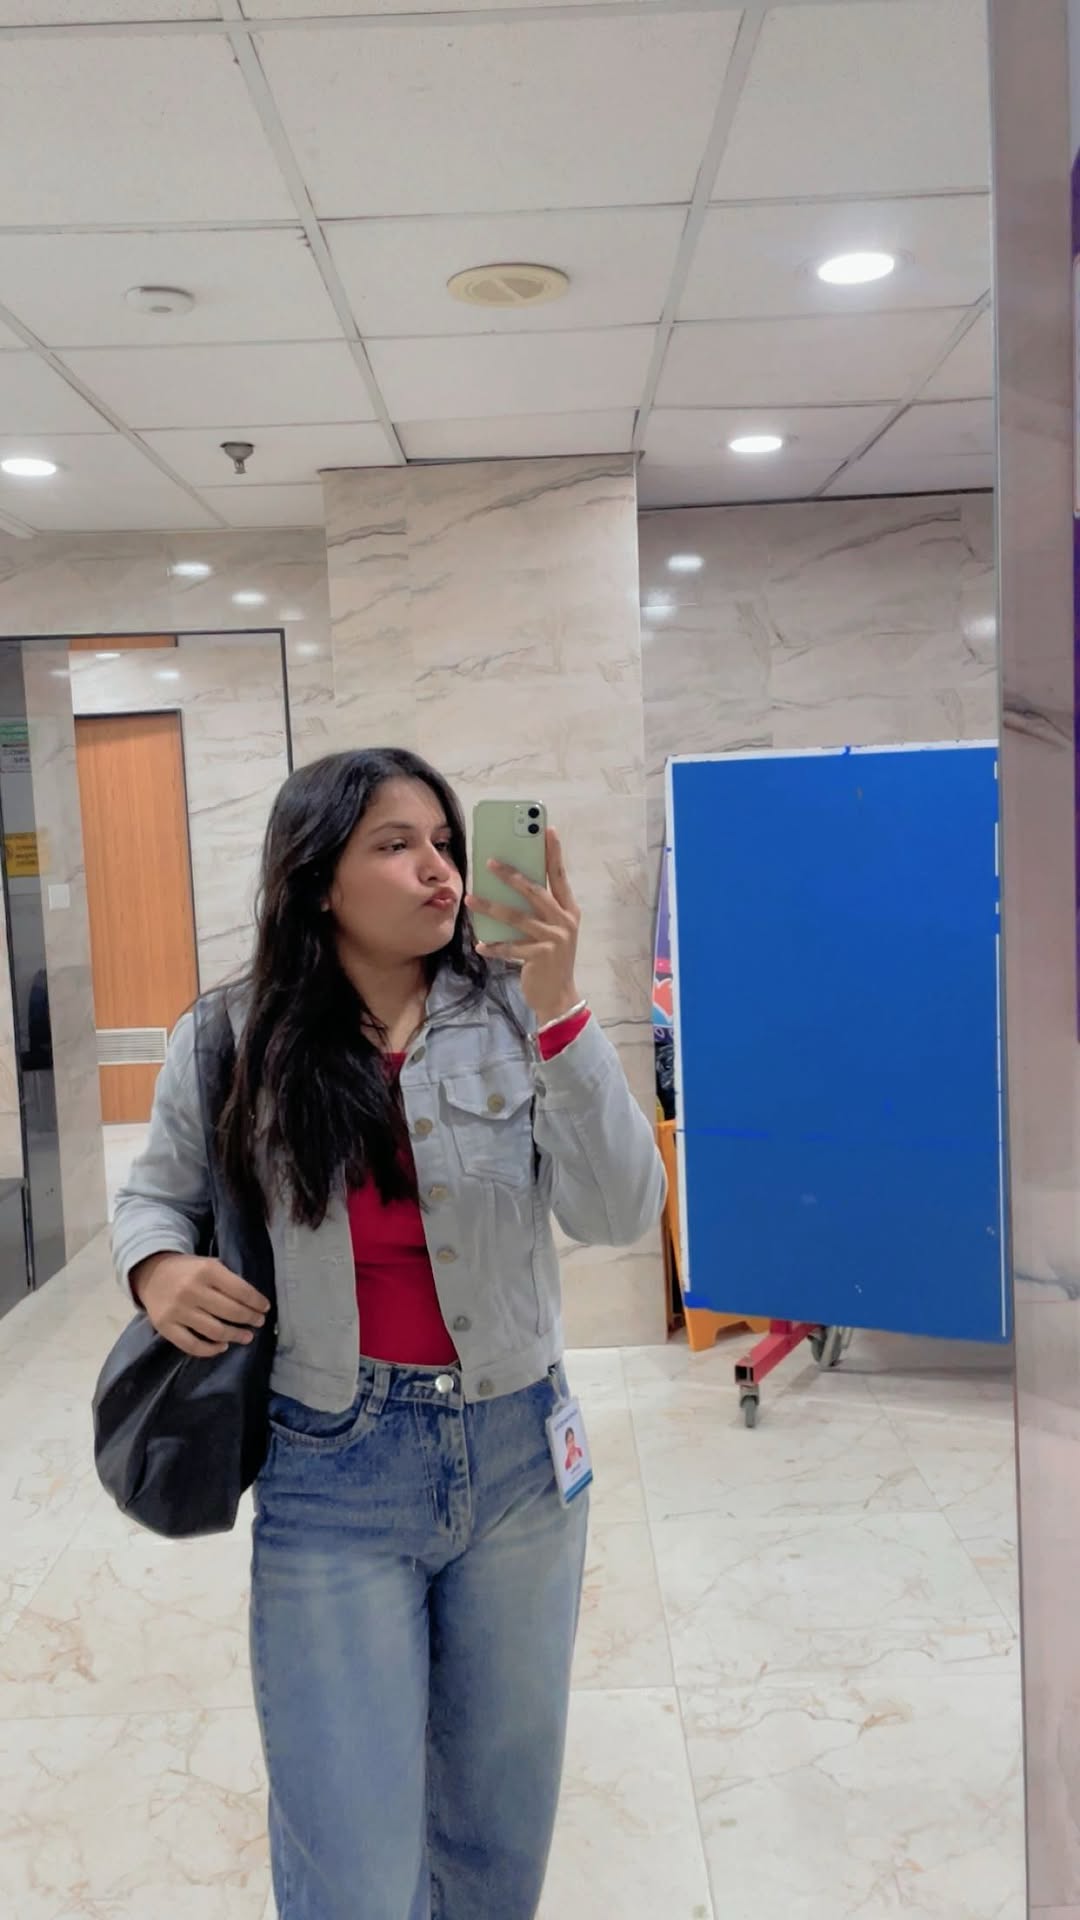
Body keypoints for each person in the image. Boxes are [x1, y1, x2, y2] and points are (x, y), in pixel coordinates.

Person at [112, 747, 665, 1920]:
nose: (440, 871)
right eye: (396, 845)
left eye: (447, 844)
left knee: (496, 1830)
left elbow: (623, 1212)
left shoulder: (517, 1013)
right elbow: (154, 1195)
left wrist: (563, 1006)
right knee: (350, 1856)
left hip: (520, 1465)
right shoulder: (232, 1036)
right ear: (319, 878)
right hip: (333, 1468)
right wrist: (157, 1268)